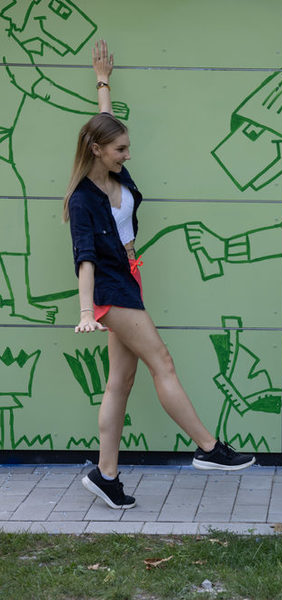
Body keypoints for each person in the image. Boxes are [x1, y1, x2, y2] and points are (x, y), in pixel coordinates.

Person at [63, 40, 254, 510]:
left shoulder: (114, 176)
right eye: (120, 149)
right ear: (97, 151)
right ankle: (208, 448)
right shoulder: (83, 199)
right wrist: (86, 312)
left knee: (120, 382)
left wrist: (103, 83)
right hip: (110, 288)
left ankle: (106, 475)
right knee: (162, 362)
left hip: (128, 277)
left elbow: (104, 125)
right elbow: (84, 258)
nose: (127, 155)